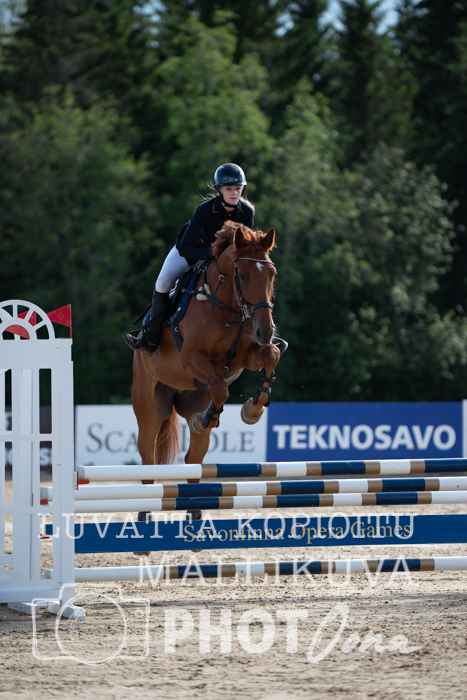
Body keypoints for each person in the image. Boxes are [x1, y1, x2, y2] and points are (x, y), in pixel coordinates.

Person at [123, 163, 255, 354]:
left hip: (223, 261)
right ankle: (151, 336)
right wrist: (208, 255)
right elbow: (185, 247)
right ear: (219, 189)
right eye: (229, 189)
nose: (234, 193)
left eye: (237, 188)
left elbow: (244, 247)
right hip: (191, 252)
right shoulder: (205, 210)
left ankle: (258, 336)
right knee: (162, 283)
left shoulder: (247, 212)